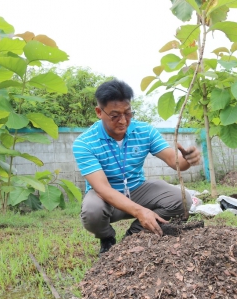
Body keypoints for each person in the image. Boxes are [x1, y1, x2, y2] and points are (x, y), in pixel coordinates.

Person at [72, 79, 201, 255]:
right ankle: (107, 238)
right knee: (91, 212)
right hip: (106, 198)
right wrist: (141, 211)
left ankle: (133, 237)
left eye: (128, 113)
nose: (123, 121)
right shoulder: (85, 143)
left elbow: (174, 160)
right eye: (115, 115)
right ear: (99, 112)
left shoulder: (144, 131)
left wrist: (187, 159)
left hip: (137, 189)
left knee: (182, 199)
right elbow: (102, 189)